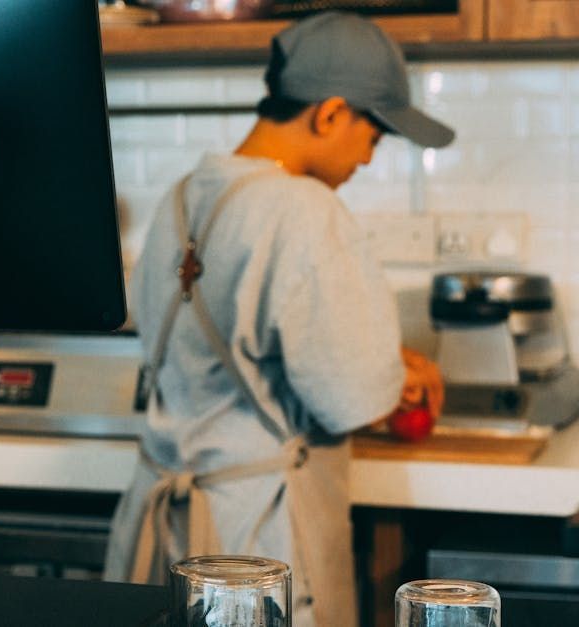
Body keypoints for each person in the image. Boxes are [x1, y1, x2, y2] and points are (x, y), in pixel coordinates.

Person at [103, 12, 450, 627]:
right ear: (331, 114)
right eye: (373, 137)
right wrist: (403, 377)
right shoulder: (304, 209)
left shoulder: (179, 196)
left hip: (159, 529)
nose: (367, 160)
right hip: (255, 550)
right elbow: (355, 400)